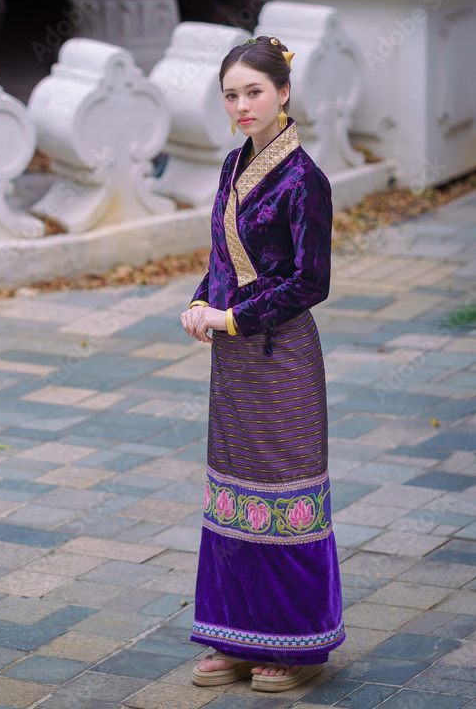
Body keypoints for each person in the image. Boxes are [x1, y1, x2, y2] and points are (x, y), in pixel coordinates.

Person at [180, 35, 345, 694]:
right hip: (234, 359)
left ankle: (296, 643)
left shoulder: (306, 181)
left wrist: (232, 318)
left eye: (254, 92)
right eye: (231, 95)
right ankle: (234, 636)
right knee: (233, 496)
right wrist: (201, 299)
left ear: (283, 93)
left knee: (283, 495)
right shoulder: (233, 164)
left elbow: (309, 281)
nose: (242, 105)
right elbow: (223, 256)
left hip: (281, 358)